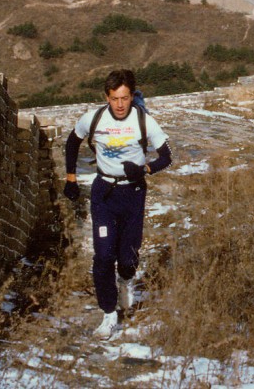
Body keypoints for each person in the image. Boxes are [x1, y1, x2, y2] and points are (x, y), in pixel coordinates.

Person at [62, 69, 172, 339]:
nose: (120, 105)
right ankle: (108, 314)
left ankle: (126, 279)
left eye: (124, 98)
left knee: (127, 256)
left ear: (132, 96)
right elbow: (72, 142)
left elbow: (167, 157)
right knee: (103, 256)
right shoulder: (94, 118)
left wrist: (145, 170)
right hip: (104, 193)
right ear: (107, 97)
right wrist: (71, 179)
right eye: (114, 99)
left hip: (133, 192)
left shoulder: (144, 121)